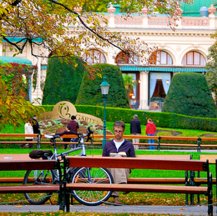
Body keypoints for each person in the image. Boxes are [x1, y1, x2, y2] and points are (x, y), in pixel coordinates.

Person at [102, 121, 135, 205]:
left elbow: (133, 163)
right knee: (115, 160)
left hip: (125, 170)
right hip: (110, 171)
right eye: (116, 131)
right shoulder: (108, 144)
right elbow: (103, 161)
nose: (117, 133)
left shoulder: (129, 145)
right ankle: (123, 185)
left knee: (118, 158)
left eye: (120, 131)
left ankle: (115, 196)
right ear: (113, 131)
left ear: (123, 132)